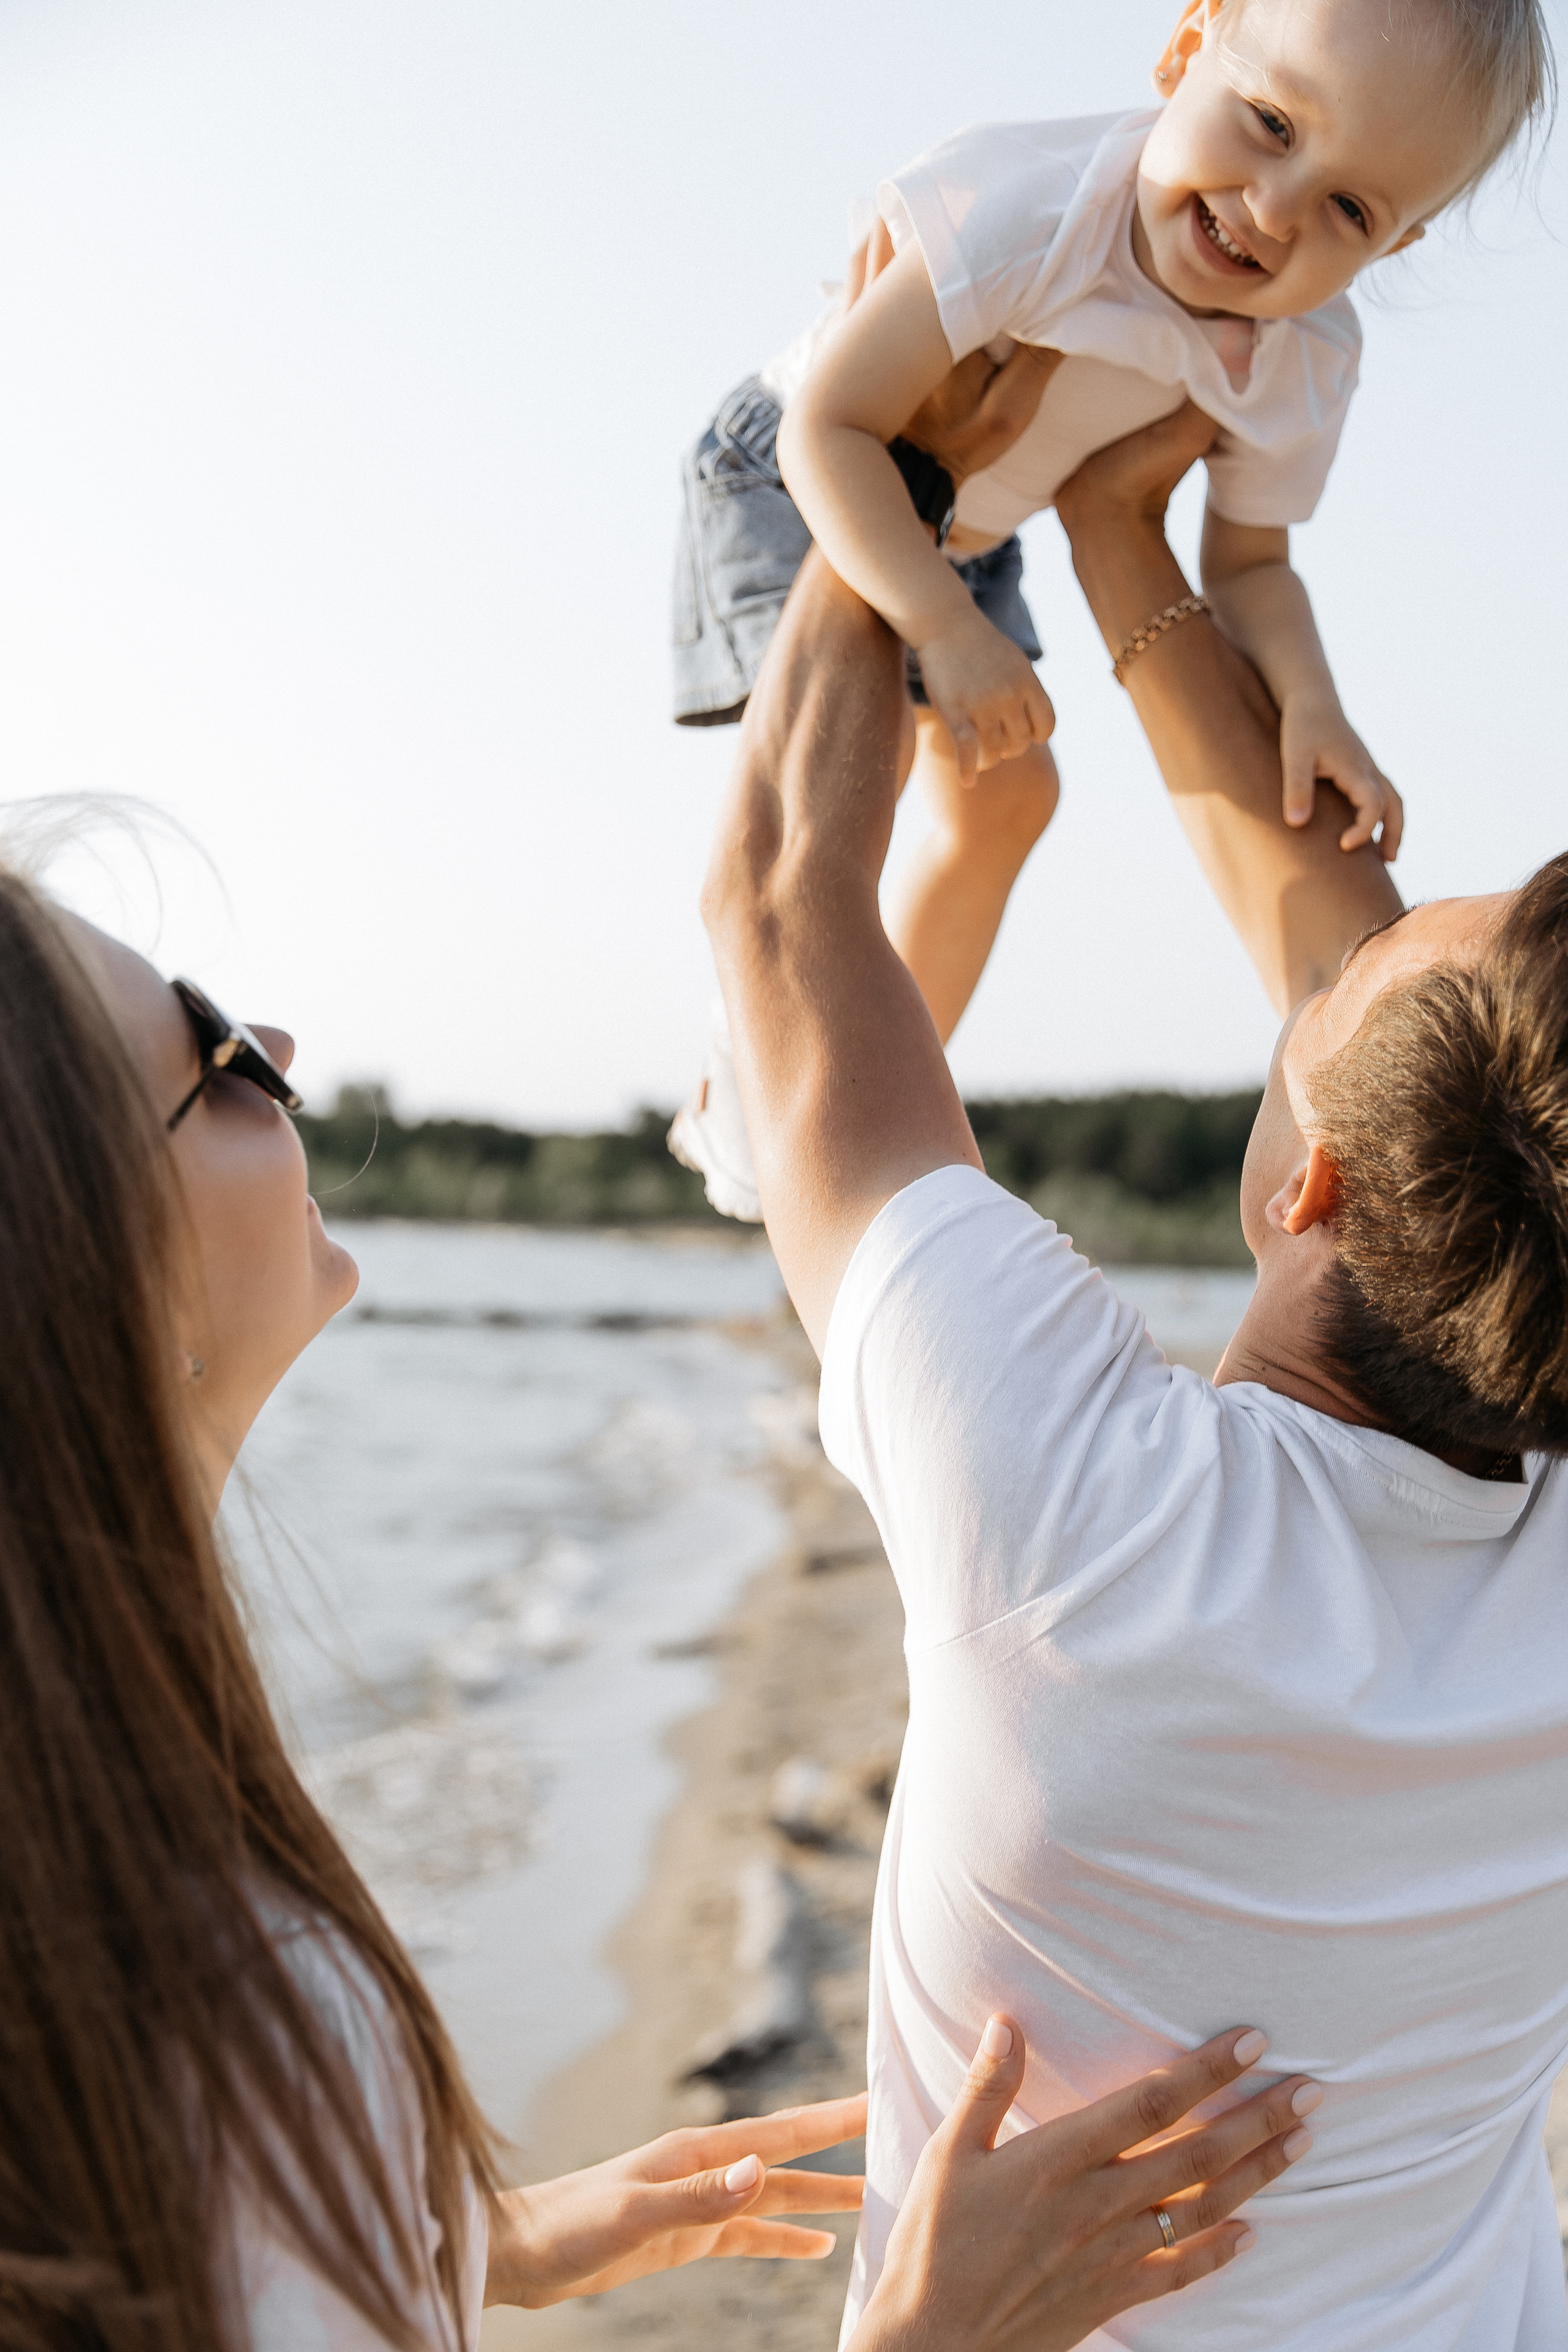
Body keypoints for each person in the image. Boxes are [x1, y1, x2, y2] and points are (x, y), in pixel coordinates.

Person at [0, 851, 1316, 2350]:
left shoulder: (88, 1804)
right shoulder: (149, 1962)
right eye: (216, 1052)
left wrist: (452, 2240)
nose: (282, 1056)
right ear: (79, 1257)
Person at [702, 382, 1568, 2345]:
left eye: (1335, 979)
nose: (1315, 949)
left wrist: (909, 464)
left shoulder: (1073, 1507)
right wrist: (1115, 550)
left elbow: (777, 899)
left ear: (1312, 1174)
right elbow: (1460, 1070)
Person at [671, 0, 1552, 1222]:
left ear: (1394, 246)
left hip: (964, 528)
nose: (1273, 208)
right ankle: (745, 1082)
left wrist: (1310, 703)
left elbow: (1247, 564)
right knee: (840, 782)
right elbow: (832, 428)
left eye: (1349, 209)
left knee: (1012, 794)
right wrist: (939, 625)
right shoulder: (1025, 212)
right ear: (1186, 49)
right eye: (1267, 123)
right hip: (803, 472)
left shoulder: (1300, 351)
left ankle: (830, 1093)